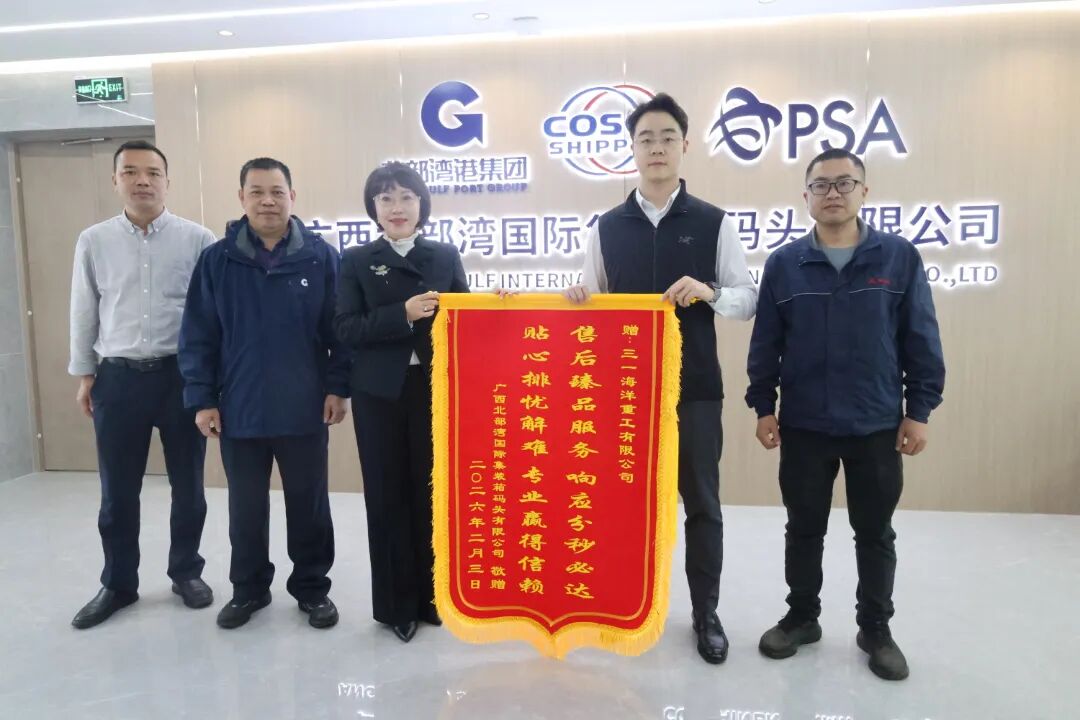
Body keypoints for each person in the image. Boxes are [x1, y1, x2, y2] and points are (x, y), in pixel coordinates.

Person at [563, 93, 758, 664]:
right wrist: (577, 299)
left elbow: (747, 299)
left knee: (702, 505)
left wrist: (710, 291)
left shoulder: (713, 222)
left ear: (685, 145)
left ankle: (705, 613)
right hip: (622, 395)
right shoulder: (606, 227)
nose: (656, 147)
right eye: (645, 138)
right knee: (619, 505)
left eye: (667, 137)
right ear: (632, 148)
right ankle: (621, 604)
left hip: (693, 389)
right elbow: (591, 300)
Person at [746, 148, 945, 681]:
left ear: (864, 191)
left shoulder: (897, 258)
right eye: (821, 185)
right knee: (803, 528)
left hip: (875, 423)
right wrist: (763, 406)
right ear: (806, 195)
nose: (832, 193)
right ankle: (802, 617)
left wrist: (919, 410)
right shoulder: (785, 264)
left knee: (874, 531)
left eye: (843, 183)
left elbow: (920, 338)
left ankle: (875, 628)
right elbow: (766, 343)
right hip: (805, 423)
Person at [179, 157, 350, 630]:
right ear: (241, 198)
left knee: (309, 504)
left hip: (305, 406)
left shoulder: (320, 257)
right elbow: (198, 334)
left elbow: (339, 330)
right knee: (246, 507)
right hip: (240, 407)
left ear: (292, 197)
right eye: (257, 192)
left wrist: (338, 386)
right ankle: (249, 589)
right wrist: (202, 398)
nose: (267, 201)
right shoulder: (217, 260)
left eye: (277, 192)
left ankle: (312, 589)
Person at [69, 140, 216, 629]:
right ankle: (118, 583)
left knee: (189, 487)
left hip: (181, 378)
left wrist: (210, 383)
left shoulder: (198, 239)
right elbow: (84, 309)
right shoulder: (94, 240)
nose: (142, 181)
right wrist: (86, 374)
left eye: (152, 172)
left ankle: (186, 572)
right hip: (118, 378)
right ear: (115, 181)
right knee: (117, 492)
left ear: (167, 181)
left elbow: (211, 316)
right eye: (130, 172)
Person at [334, 162, 469, 643]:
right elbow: (345, 328)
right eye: (386, 198)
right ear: (373, 207)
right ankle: (396, 606)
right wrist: (402, 314)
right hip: (379, 394)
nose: (397, 207)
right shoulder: (356, 260)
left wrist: (498, 304)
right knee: (386, 495)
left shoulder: (444, 255)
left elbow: (465, 320)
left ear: (421, 204)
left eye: (406, 197)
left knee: (431, 493)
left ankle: (432, 598)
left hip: (435, 389)